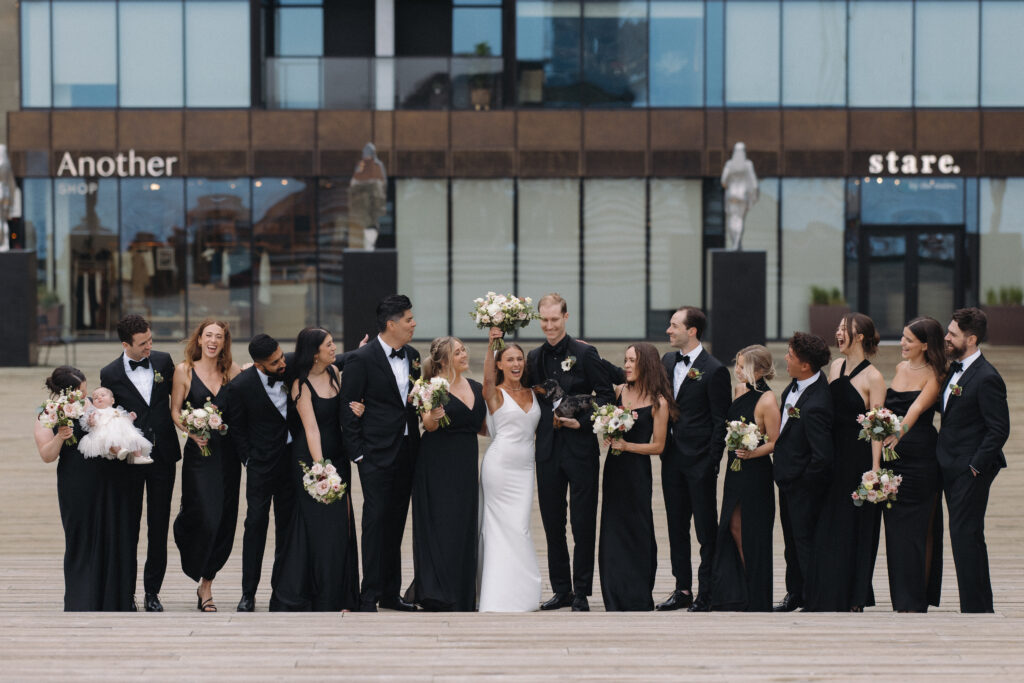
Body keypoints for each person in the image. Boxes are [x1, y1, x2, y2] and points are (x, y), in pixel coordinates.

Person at [526, 293, 615, 612]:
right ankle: (561, 589)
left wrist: (584, 421)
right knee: (552, 522)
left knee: (582, 521)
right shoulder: (533, 356)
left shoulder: (585, 352)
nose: (549, 326)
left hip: (580, 449)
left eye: (554, 319)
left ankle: (581, 592)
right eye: (544, 320)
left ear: (565, 317)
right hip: (547, 450)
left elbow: (606, 396)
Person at [271, 328, 361, 611]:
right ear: (314, 352)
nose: (334, 347)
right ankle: (317, 594)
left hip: (339, 457)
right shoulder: (300, 384)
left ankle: (341, 595)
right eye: (329, 344)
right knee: (319, 527)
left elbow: (343, 409)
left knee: (341, 525)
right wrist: (322, 469)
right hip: (312, 461)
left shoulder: (334, 372)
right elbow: (311, 429)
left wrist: (357, 409)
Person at [340, 294, 421, 612]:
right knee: (375, 522)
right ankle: (369, 593)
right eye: (409, 319)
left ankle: (391, 592)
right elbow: (348, 407)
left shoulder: (413, 355)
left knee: (397, 522)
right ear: (391, 324)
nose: (414, 324)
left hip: (407, 449)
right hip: (374, 455)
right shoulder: (362, 359)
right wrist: (358, 454)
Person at [35, 366, 136, 611]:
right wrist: (60, 435)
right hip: (76, 482)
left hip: (108, 478)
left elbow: (114, 424)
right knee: (80, 536)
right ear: (66, 391)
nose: (86, 394)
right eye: (81, 390)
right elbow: (47, 455)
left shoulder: (92, 404)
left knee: (111, 533)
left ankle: (116, 599)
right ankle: (81, 599)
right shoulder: (48, 414)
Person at [805, 314, 886, 612]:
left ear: (860, 336)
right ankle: (827, 591)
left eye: (844, 330)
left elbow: (878, 426)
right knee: (829, 524)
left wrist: (875, 469)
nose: (837, 333)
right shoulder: (836, 366)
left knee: (855, 525)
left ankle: (854, 596)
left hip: (858, 457)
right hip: (831, 452)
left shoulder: (874, 377)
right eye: (837, 328)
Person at [100, 314, 180, 612]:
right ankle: (127, 593)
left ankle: (152, 593)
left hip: (163, 456)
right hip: (128, 460)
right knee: (129, 526)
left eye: (150, 340)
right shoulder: (109, 373)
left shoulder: (163, 361)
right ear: (125, 344)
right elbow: (107, 414)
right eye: (143, 343)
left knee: (158, 526)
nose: (150, 346)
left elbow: (181, 395)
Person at [656, 306, 731, 612]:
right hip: (670, 458)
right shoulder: (667, 361)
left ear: (692, 331)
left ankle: (707, 591)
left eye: (674, 326)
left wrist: (711, 464)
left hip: (699, 462)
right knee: (676, 527)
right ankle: (682, 588)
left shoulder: (714, 370)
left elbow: (719, 422)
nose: (668, 330)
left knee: (704, 528)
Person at [404, 336, 485, 611]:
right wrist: (433, 413)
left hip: (465, 463)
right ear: (443, 360)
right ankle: (437, 591)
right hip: (437, 463)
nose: (464, 354)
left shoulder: (475, 387)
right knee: (440, 525)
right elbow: (429, 425)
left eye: (464, 349)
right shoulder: (428, 386)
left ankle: (462, 592)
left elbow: (482, 426)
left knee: (462, 524)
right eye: (458, 351)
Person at [938, 308, 1010, 613]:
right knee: (963, 534)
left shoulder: (987, 377)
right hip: (950, 465)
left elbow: (999, 429)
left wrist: (974, 467)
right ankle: (977, 604)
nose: (947, 337)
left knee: (966, 534)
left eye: (953, 333)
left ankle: (978, 608)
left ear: (972, 338)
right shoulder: (954, 370)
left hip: (971, 469)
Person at [170, 319, 241, 613]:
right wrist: (191, 430)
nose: (213, 341)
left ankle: (207, 585)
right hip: (199, 456)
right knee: (204, 516)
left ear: (225, 343)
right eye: (208, 335)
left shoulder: (232, 372)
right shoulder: (183, 371)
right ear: (199, 340)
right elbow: (174, 411)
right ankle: (185, 538)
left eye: (219, 337)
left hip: (228, 457)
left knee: (224, 519)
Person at [598, 343, 675, 612]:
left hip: (637, 473)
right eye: (626, 360)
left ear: (647, 364)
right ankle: (613, 592)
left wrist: (626, 446)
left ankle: (638, 591)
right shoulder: (619, 391)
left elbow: (659, 446)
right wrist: (609, 434)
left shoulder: (659, 402)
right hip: (614, 471)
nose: (627, 366)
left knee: (637, 528)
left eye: (632, 361)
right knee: (612, 529)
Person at [880, 317, 946, 612]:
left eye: (908, 340)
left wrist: (897, 434)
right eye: (903, 337)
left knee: (919, 528)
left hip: (919, 457)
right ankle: (901, 599)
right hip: (892, 457)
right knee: (894, 528)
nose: (902, 344)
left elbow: (916, 409)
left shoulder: (936, 373)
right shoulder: (899, 368)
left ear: (925, 345)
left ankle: (917, 598)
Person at [228, 334, 295, 612]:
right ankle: (248, 593)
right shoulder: (241, 385)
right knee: (255, 524)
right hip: (260, 466)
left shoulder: (291, 367)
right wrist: (248, 459)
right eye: (274, 362)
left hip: (292, 462)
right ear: (257, 365)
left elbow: (329, 360)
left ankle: (282, 591)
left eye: (281, 356)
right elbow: (237, 427)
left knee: (287, 526)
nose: (282, 363)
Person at [710, 345, 779, 612]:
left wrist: (753, 454)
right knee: (731, 526)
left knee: (753, 531)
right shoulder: (739, 390)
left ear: (759, 370)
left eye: (742, 366)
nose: (737, 371)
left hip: (756, 473)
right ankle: (738, 588)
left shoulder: (768, 401)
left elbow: (775, 441)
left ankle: (755, 590)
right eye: (737, 365)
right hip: (734, 469)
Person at [478, 328, 543, 612]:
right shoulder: (494, 393)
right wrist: (492, 345)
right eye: (510, 359)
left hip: (526, 468)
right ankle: (496, 595)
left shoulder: (534, 392)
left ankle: (522, 592)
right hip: (500, 467)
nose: (516, 364)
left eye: (520, 359)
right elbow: (486, 379)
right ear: (500, 364)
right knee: (498, 528)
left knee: (520, 528)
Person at [773, 332, 834, 613]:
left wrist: (802, 482)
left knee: (805, 542)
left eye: (790, 355)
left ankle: (812, 597)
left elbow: (822, 456)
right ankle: (794, 592)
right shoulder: (793, 388)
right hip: (786, 481)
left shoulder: (818, 402)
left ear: (806, 365)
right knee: (790, 543)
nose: (785, 358)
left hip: (803, 486)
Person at [78, 387, 153, 464]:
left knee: (133, 437)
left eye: (103, 395)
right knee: (111, 438)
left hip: (122, 432)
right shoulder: (96, 412)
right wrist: (92, 422)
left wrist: (130, 418)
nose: (99, 398)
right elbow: (90, 424)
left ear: (112, 400)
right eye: (95, 398)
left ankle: (138, 456)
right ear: (93, 404)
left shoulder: (117, 410)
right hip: (106, 432)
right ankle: (119, 451)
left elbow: (124, 421)